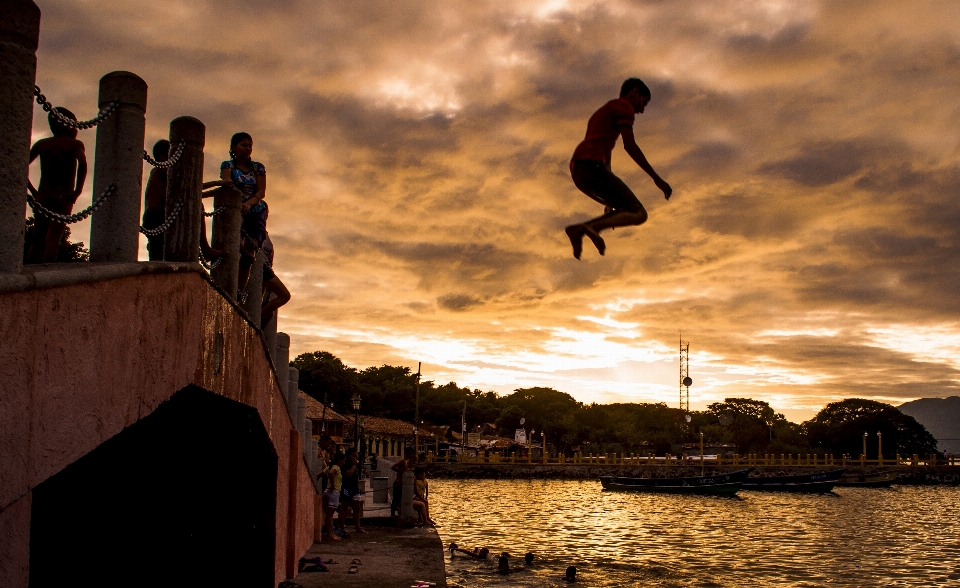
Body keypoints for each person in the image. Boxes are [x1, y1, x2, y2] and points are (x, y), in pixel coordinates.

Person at [565, 78, 672, 259]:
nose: (642, 110)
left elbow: (605, 151)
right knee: (638, 213)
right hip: (591, 166)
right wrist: (657, 178)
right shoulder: (624, 106)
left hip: (580, 170)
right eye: (643, 103)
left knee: (623, 209)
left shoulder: (603, 111)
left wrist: (608, 201)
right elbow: (630, 146)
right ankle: (591, 227)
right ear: (634, 93)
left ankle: (578, 231)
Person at [26, 107, 87, 264]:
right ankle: (45, 276)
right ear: (68, 124)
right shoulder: (74, 144)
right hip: (62, 196)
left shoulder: (42, 144)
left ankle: (29, 273)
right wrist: (76, 192)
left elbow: (21, 166)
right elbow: (83, 164)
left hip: (43, 195)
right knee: (53, 240)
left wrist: (34, 192)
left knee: (37, 240)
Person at [220, 132, 267, 296]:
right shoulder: (228, 165)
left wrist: (249, 203)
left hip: (255, 210)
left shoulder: (258, 168)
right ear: (234, 147)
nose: (248, 149)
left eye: (250, 146)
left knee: (249, 253)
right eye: (244, 145)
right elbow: (227, 183)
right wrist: (239, 203)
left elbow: (261, 191)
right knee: (233, 246)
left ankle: (239, 292)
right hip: (235, 208)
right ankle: (229, 287)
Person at [259, 234, 291, 329]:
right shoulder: (252, 228)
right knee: (285, 295)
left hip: (265, 271)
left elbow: (270, 261)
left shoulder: (267, 239)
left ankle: (257, 315)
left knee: (269, 314)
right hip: (260, 268)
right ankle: (257, 314)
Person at [340, 448, 365, 534]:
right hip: (347, 488)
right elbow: (349, 473)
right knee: (344, 507)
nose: (355, 457)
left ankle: (358, 528)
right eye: (353, 455)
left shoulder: (356, 464)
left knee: (357, 508)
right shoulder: (345, 465)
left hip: (355, 488)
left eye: (356, 455)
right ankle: (342, 527)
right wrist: (353, 465)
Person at [322, 452, 345, 541]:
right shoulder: (336, 467)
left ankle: (331, 533)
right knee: (329, 515)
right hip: (334, 492)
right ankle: (330, 534)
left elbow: (321, 474)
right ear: (339, 460)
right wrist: (332, 486)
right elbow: (331, 474)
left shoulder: (330, 466)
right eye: (343, 461)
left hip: (327, 491)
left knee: (328, 514)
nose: (343, 463)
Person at [391, 446, 416, 516]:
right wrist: (401, 473)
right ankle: (392, 515)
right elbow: (393, 467)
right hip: (398, 483)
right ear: (407, 453)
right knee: (395, 500)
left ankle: (397, 513)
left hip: (402, 483)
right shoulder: (402, 461)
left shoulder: (405, 461)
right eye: (411, 454)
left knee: (399, 499)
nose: (412, 455)